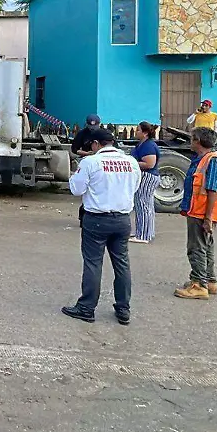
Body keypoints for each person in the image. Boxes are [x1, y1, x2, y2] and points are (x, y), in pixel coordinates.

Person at [62, 128, 140, 325]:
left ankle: (86, 308)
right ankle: (123, 308)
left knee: (93, 263)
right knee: (122, 263)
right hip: (122, 219)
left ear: (96, 144)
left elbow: (76, 189)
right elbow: (135, 187)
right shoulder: (131, 162)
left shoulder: (91, 162)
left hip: (97, 219)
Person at [174, 127, 217, 300]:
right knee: (206, 245)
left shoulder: (211, 161)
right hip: (200, 211)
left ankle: (199, 285)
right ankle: (209, 280)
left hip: (201, 212)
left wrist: (208, 217)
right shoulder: (205, 159)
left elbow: (212, 190)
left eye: (192, 138)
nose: (190, 141)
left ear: (198, 141)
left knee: (196, 248)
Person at [129, 121, 161, 244]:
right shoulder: (142, 144)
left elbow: (150, 164)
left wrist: (131, 163)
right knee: (144, 205)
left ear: (145, 133)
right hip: (144, 176)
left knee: (143, 205)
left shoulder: (148, 146)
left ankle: (143, 235)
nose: (136, 132)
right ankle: (144, 231)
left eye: (138, 130)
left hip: (147, 176)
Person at [70, 114, 102, 227]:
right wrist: (86, 153)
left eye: (95, 126)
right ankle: (84, 215)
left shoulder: (104, 134)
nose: (92, 129)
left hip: (101, 163)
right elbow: (74, 149)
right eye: (90, 126)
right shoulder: (82, 134)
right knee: (86, 190)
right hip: (86, 161)